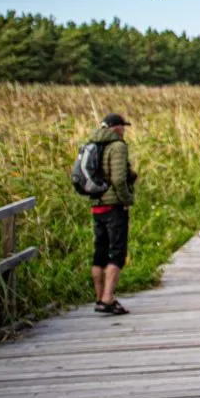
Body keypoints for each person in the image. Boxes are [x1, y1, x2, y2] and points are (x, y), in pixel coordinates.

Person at [90, 112, 136, 316]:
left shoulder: (92, 142)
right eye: (122, 127)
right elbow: (118, 179)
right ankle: (108, 298)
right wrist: (127, 200)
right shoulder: (117, 146)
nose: (124, 130)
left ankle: (100, 298)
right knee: (116, 252)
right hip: (113, 206)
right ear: (115, 128)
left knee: (99, 253)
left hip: (97, 204)